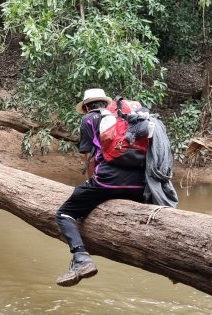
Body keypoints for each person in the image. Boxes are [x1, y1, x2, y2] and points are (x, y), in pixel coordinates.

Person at [55, 88, 147, 287]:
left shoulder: (88, 119)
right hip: (139, 185)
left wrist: (92, 184)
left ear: (87, 106)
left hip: (109, 181)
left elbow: (89, 157)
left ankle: (81, 259)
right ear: (105, 103)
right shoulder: (125, 116)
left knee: (64, 214)